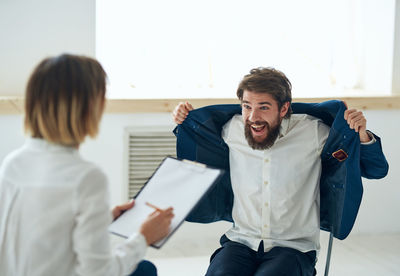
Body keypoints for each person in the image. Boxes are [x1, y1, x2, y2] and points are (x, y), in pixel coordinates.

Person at [172, 67, 388, 276]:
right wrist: (185, 119)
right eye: (247, 106)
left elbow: (376, 169)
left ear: (284, 109)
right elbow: (197, 138)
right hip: (241, 240)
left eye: (263, 107)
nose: (253, 116)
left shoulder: (313, 132)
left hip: (294, 247)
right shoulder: (231, 128)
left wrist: (361, 135)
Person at [0, 54, 174, 276]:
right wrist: (143, 238)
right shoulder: (87, 178)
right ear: (90, 107)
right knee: (144, 270)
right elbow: (99, 272)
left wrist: (104, 218)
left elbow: (40, 232)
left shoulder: (13, 163)